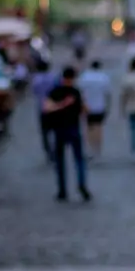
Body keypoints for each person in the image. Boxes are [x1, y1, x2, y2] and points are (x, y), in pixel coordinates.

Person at [44, 66, 91, 202]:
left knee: (61, 161)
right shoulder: (75, 92)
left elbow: (46, 108)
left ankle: (62, 189)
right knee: (79, 160)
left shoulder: (54, 92)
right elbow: (85, 110)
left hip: (59, 129)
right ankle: (81, 184)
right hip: (72, 128)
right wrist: (66, 104)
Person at [77, 58, 111, 162]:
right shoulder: (103, 77)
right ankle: (97, 150)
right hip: (99, 106)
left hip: (87, 106)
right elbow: (108, 94)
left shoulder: (84, 77)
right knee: (98, 129)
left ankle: (89, 149)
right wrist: (108, 107)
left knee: (88, 129)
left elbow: (79, 92)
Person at [31, 51, 61, 163]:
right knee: (56, 130)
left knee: (44, 132)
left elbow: (34, 92)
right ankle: (57, 149)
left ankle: (48, 151)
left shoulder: (36, 79)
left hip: (42, 108)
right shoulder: (53, 77)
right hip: (54, 107)